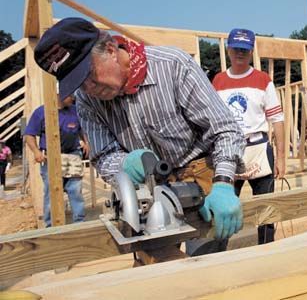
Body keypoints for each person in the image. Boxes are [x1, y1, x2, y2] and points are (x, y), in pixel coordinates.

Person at [33, 17, 246, 254]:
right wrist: (126, 164)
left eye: (90, 75)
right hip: (146, 187)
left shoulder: (172, 66)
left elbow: (225, 129)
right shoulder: (87, 100)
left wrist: (224, 183)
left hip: (199, 171)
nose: (89, 89)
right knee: (153, 266)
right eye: (79, 85)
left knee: (206, 262)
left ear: (111, 50)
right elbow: (103, 156)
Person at [212, 28, 285, 244]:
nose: (240, 53)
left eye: (244, 49)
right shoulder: (218, 81)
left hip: (259, 149)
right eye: (236, 49)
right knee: (223, 204)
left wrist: (280, 157)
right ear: (228, 50)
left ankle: (266, 250)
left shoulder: (263, 80)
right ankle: (219, 251)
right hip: (229, 151)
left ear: (251, 51)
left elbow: (277, 119)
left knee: (266, 208)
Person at [24, 94, 88, 227]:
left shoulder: (74, 110)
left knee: (75, 190)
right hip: (50, 157)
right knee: (51, 191)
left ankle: (80, 224)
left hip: (73, 155)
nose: (73, 98)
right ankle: (50, 226)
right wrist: (36, 151)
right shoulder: (42, 112)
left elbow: (81, 129)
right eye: (70, 95)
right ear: (59, 94)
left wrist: (86, 142)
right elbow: (29, 135)